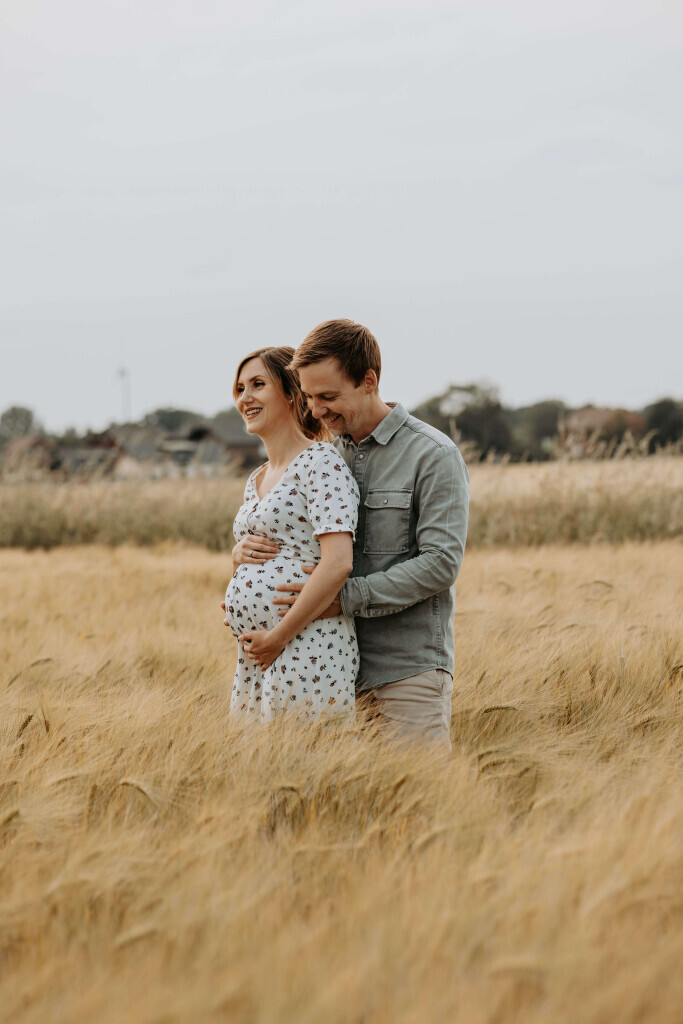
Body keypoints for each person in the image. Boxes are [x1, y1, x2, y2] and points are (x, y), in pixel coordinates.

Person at [274, 320, 470, 754]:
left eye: (328, 396)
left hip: (407, 670)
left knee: (421, 804)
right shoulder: (321, 456)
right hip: (327, 666)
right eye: (308, 397)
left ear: (369, 382)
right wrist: (243, 550)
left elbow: (441, 562)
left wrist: (344, 596)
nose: (317, 411)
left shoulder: (433, 455)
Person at [223, 346, 360, 721]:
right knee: (257, 770)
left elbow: (337, 562)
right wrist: (239, 591)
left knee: (306, 763)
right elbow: (275, 552)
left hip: (307, 647)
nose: (245, 397)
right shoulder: (257, 478)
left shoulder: (320, 463)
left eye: (257, 384)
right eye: (239, 388)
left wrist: (277, 635)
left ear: (290, 392)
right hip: (256, 654)